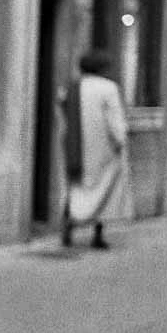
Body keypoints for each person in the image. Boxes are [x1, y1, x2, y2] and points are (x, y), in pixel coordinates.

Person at [59, 48, 134, 250]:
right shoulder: (108, 88)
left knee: (76, 188)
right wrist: (121, 140)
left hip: (77, 148)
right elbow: (115, 121)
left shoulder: (72, 87)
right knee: (104, 190)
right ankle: (97, 234)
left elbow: (63, 110)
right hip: (104, 150)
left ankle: (69, 226)